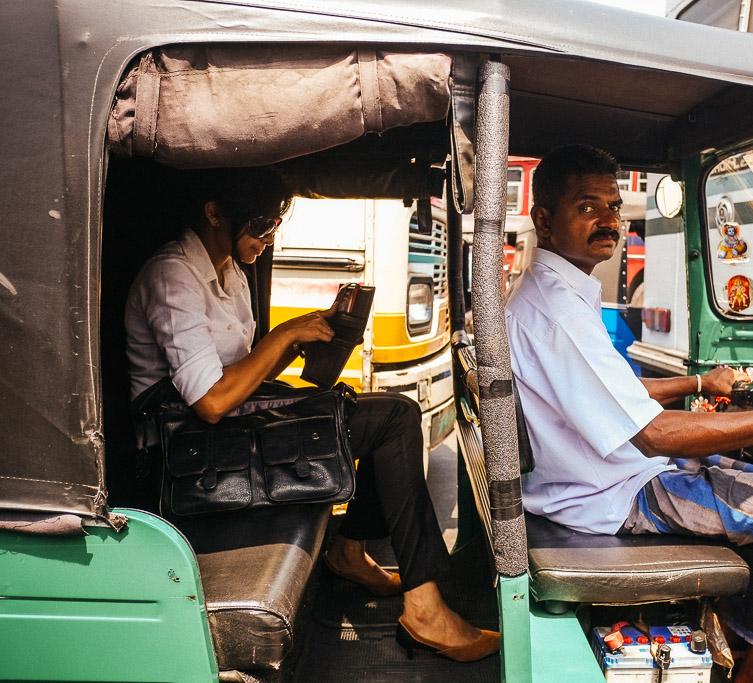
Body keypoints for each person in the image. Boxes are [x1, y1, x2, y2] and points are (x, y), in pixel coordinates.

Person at [504, 145, 753, 683]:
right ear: (545, 222)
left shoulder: (552, 292)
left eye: (613, 205)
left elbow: (613, 391)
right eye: (587, 207)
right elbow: (653, 435)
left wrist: (699, 382)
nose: (608, 219)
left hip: (605, 477)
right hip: (614, 495)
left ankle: (741, 643)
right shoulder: (556, 309)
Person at [124, 167, 498, 663]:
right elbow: (211, 402)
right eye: (260, 225)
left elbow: (241, 370)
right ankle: (421, 604)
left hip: (222, 429)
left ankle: (349, 552)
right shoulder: (172, 275)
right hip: (189, 452)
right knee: (393, 419)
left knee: (386, 413)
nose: (268, 236)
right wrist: (282, 336)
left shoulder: (229, 272)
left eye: (276, 225)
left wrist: (308, 338)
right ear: (215, 213)